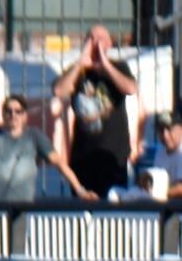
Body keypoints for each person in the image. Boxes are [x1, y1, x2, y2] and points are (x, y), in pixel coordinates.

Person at [52, 25, 138, 197]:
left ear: (109, 44)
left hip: (113, 155)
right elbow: (59, 91)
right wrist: (79, 65)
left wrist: (105, 65)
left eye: (100, 38)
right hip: (83, 157)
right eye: (91, 38)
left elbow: (130, 88)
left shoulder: (119, 66)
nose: (95, 42)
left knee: (112, 212)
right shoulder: (77, 71)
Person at [0, 97, 92, 203]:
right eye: (9, 111)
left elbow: (59, 163)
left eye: (18, 111)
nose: (13, 115)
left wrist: (80, 191)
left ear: (24, 115)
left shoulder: (34, 136)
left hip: (22, 206)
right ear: (3, 114)